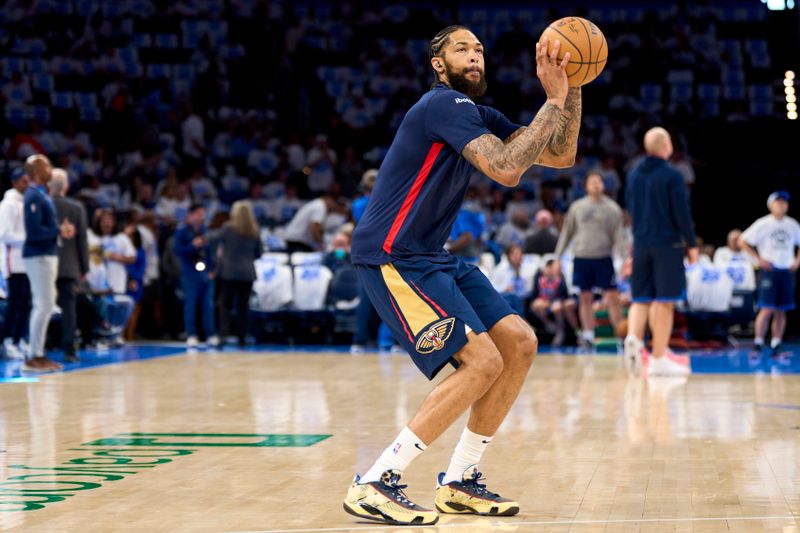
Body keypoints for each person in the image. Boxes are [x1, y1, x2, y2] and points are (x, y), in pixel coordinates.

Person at [345, 25, 581, 525]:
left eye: (479, 50)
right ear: (438, 62)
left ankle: (460, 480)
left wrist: (571, 85)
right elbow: (507, 169)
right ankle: (376, 480)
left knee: (518, 343)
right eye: (461, 49)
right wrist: (553, 99)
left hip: (431, 254)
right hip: (392, 255)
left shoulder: (476, 114)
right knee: (480, 362)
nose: (474, 56)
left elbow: (560, 155)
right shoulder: (441, 105)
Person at [623, 128, 698, 377]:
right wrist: (692, 244)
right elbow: (682, 213)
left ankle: (633, 338)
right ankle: (658, 358)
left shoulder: (633, 174)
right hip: (667, 244)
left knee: (641, 298)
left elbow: (630, 209)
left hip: (641, 243)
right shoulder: (672, 175)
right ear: (666, 145)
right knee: (664, 301)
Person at [554, 172, 626, 349]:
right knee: (585, 297)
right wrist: (557, 257)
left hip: (604, 258)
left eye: (599, 181)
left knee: (612, 297)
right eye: (593, 182)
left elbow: (619, 236)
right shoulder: (577, 207)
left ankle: (621, 335)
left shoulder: (612, 208)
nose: (596, 184)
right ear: (586, 186)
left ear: (603, 185)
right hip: (581, 257)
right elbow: (567, 233)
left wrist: (625, 260)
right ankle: (587, 335)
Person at [22, 154, 75, 372]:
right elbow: (33, 232)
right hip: (39, 255)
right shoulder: (33, 196)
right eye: (46, 166)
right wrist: (58, 230)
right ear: (35, 172)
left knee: (46, 305)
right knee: (43, 305)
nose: (50, 169)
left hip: (46, 253)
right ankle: (34, 355)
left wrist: (60, 231)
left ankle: (38, 353)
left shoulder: (41, 194)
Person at [739, 191, 800, 355]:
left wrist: (797, 260)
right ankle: (758, 342)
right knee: (766, 308)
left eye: (784, 202)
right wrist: (758, 260)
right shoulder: (763, 223)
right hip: (769, 271)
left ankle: (776, 343)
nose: (782, 205)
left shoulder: (792, 224)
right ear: (770, 205)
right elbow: (742, 240)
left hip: (786, 270)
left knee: (782, 309)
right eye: (778, 202)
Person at [49, 168, 89, 362]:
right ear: (66, 186)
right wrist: (85, 268)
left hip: (44, 265)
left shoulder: (43, 204)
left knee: (40, 307)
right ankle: (69, 350)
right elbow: (82, 241)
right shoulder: (76, 208)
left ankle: (36, 348)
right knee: (68, 309)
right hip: (69, 267)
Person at [216, 200, 262, 346]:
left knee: (225, 306)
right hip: (247, 272)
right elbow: (259, 253)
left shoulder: (227, 228)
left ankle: (223, 335)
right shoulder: (254, 230)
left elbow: (217, 243)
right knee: (243, 307)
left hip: (229, 272)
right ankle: (242, 337)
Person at [173, 203, 218, 349]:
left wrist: (212, 270)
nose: (201, 217)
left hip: (205, 273)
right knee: (190, 305)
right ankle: (191, 334)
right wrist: (192, 246)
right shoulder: (182, 232)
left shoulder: (205, 231)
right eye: (198, 213)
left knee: (208, 305)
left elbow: (211, 252)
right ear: (190, 215)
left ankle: (210, 334)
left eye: (203, 214)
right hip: (190, 273)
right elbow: (177, 251)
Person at [0, 168, 31, 359]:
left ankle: (19, 340)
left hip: (28, 263)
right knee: (15, 304)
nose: (27, 185)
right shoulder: (8, 204)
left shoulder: (25, 204)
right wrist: (30, 238)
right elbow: (4, 234)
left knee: (26, 304)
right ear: (15, 182)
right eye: (23, 181)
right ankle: (6, 340)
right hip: (14, 262)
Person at [529, 258, 577, 346]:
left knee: (556, 307)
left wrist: (551, 302)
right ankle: (548, 324)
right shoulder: (539, 277)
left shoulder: (560, 278)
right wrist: (542, 301)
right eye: (556, 267)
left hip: (557, 302)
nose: (558, 269)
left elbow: (564, 296)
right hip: (543, 302)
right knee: (536, 304)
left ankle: (560, 332)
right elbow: (534, 295)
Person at [489, 244, 531, 315]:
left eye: (518, 254)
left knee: (518, 298)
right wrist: (504, 288)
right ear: (508, 256)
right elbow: (492, 287)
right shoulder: (500, 269)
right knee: (512, 297)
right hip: (505, 297)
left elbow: (529, 290)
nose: (516, 257)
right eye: (514, 254)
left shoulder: (526, 269)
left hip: (522, 298)